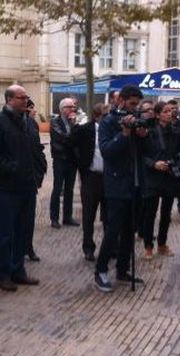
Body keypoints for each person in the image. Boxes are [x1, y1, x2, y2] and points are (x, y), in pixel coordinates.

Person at [0, 84, 41, 292]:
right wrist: (12, 168)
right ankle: (3, 274)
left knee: (23, 230)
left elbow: (36, 150)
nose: (25, 100)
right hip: (7, 186)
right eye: (21, 97)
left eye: (26, 97)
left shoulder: (28, 122)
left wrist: (38, 171)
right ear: (9, 100)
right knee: (5, 232)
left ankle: (18, 270)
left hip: (28, 185)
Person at [94, 84, 146, 292]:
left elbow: (148, 150)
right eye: (132, 104)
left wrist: (143, 135)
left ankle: (122, 269)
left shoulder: (136, 119)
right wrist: (124, 134)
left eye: (137, 105)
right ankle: (100, 270)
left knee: (129, 231)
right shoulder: (108, 122)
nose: (135, 108)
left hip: (136, 183)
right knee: (113, 230)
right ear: (121, 100)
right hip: (117, 184)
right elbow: (107, 151)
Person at [141, 101, 180, 260]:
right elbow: (142, 155)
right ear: (157, 114)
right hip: (152, 177)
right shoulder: (149, 132)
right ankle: (148, 246)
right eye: (166, 111)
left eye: (171, 111)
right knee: (149, 213)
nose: (170, 113)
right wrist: (154, 164)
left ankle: (162, 244)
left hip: (169, 176)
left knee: (166, 213)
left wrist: (174, 164)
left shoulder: (177, 132)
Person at [71, 103, 109, 262]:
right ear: (97, 116)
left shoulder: (113, 131)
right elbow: (71, 144)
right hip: (91, 177)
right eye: (105, 115)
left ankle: (109, 247)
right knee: (89, 215)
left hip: (109, 178)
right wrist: (81, 165)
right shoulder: (85, 129)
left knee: (109, 216)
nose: (109, 118)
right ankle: (88, 247)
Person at [49, 97, 79, 228]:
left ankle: (67, 217)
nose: (73, 109)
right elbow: (61, 138)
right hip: (60, 159)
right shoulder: (55, 121)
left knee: (69, 189)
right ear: (62, 109)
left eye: (73, 107)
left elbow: (78, 138)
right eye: (70, 107)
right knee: (57, 188)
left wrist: (73, 127)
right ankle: (54, 218)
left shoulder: (74, 122)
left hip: (72, 160)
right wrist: (72, 135)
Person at [24, 99, 47, 262]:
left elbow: (37, 148)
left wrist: (42, 167)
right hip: (17, 178)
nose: (34, 111)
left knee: (29, 216)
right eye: (32, 108)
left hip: (31, 176)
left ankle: (28, 247)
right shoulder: (4, 123)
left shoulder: (32, 124)